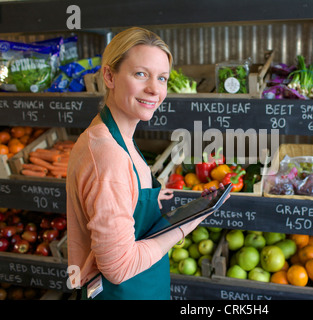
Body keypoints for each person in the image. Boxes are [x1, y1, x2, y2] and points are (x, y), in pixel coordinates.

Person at [66, 27, 222, 300]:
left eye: (162, 78)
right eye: (141, 74)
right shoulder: (109, 156)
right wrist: (186, 225)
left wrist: (142, 195)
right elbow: (119, 268)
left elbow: (111, 194)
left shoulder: (113, 133)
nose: (154, 89)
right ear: (109, 75)